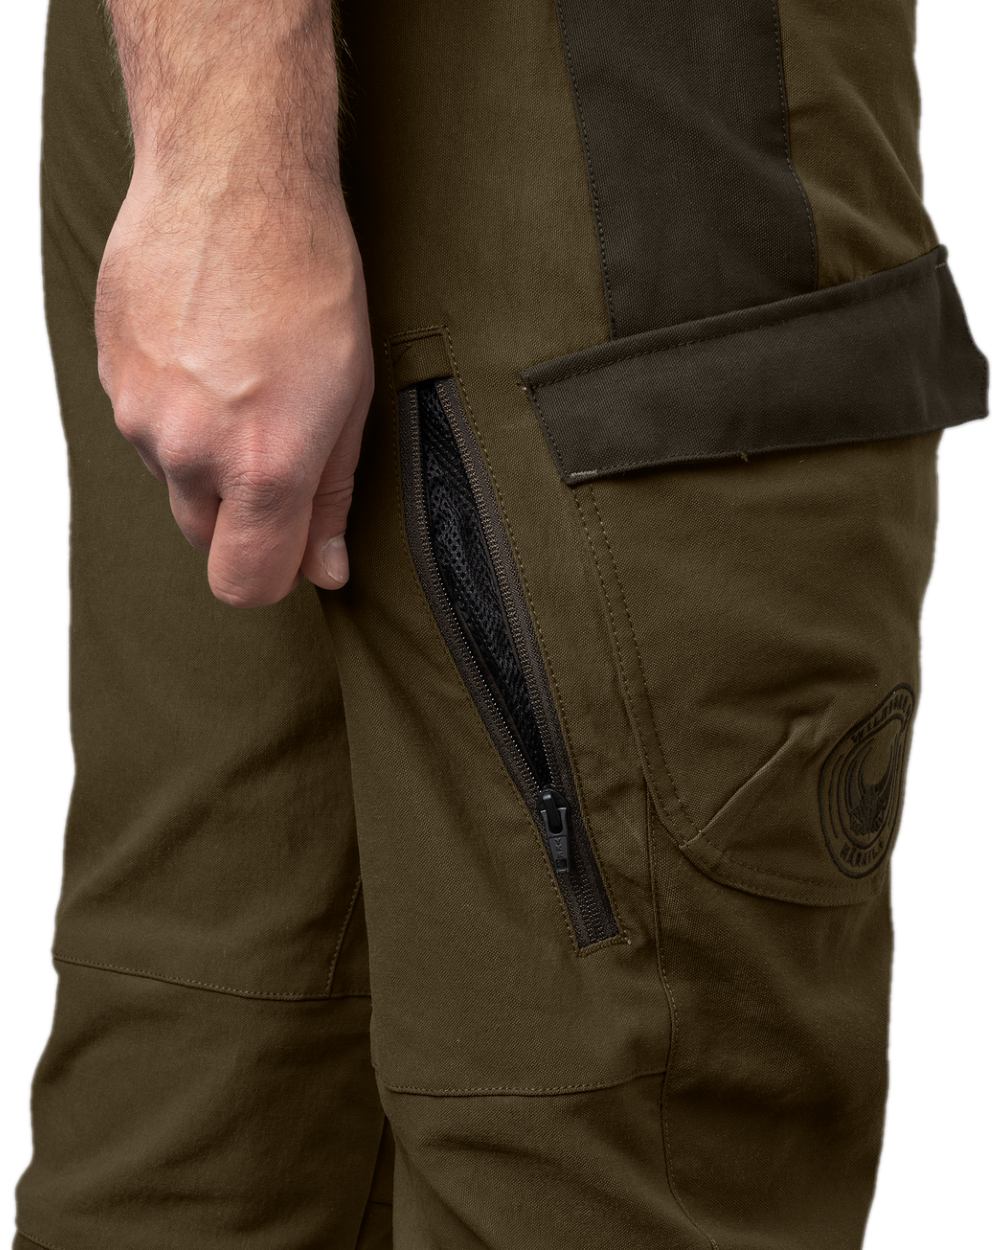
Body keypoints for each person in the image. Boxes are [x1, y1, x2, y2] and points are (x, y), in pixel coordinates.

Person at [15, 1, 988, 1247]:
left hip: (240, 90)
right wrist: (231, 160)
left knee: (220, 1077)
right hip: (588, 85)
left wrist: (224, 136)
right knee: (615, 1136)